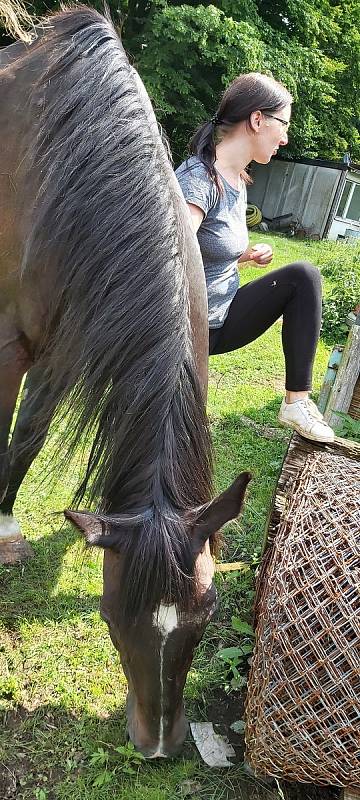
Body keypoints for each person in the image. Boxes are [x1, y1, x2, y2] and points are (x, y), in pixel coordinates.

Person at [176, 72, 334, 443]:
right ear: (257, 119)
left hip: (222, 318)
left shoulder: (238, 179)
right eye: (284, 124)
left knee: (302, 277)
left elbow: (206, 249)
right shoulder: (200, 178)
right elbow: (169, 252)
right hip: (187, 331)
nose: (286, 137)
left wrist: (242, 256)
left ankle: (296, 403)